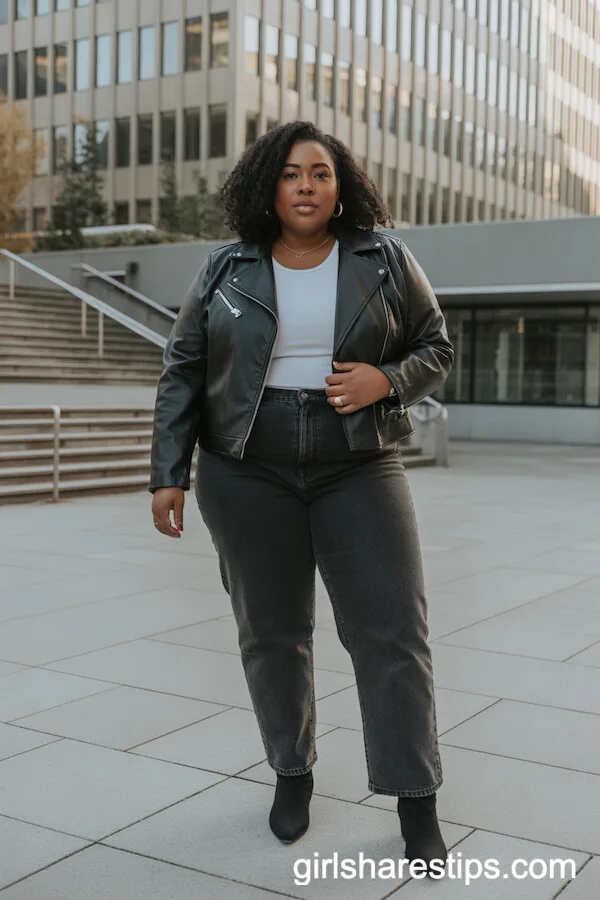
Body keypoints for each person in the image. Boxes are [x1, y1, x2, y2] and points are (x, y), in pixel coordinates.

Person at [149, 121, 454, 876]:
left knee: (392, 632)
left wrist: (387, 380)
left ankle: (416, 800)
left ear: (341, 186)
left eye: (320, 172)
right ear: (268, 187)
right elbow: (184, 368)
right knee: (273, 633)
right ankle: (292, 771)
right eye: (290, 173)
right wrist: (168, 471)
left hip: (360, 460)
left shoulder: (385, 258)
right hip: (247, 465)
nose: (307, 185)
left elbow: (435, 345)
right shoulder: (226, 267)